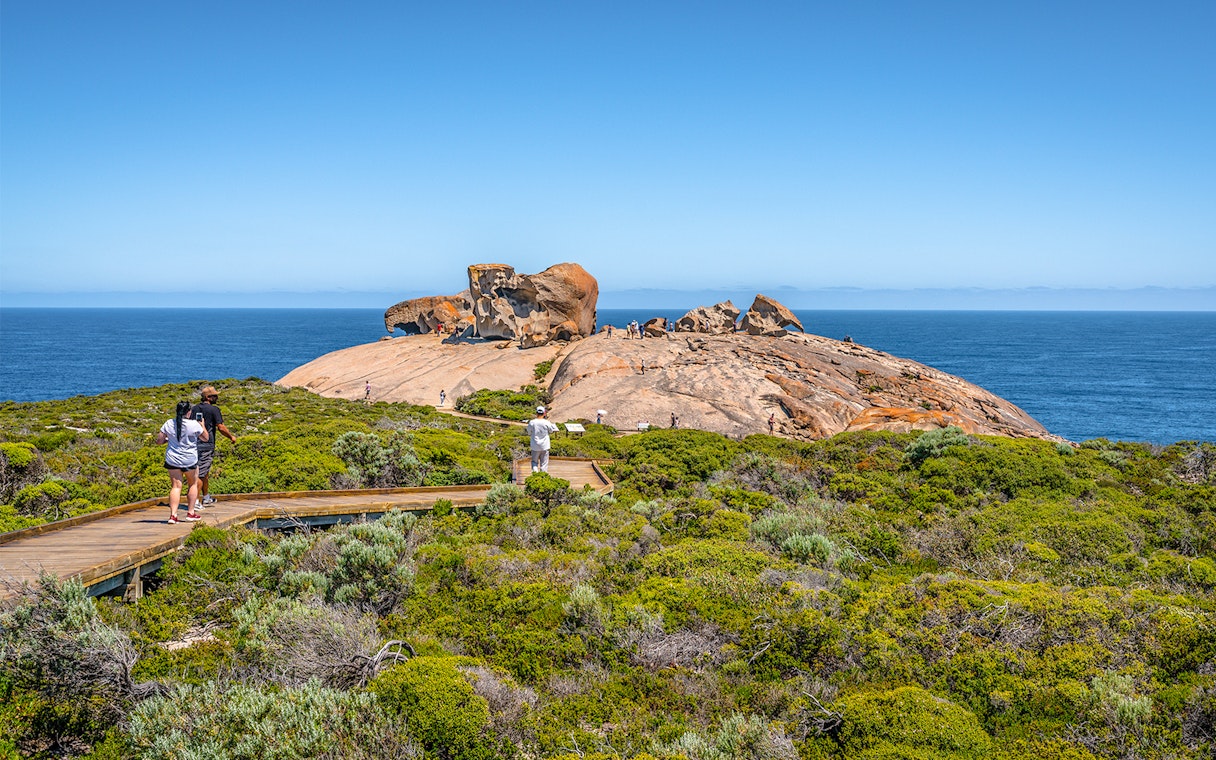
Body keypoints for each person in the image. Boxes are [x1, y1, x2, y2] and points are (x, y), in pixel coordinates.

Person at [156, 401, 208, 524]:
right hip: (189, 459)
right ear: (189, 412)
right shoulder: (194, 424)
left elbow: (159, 441)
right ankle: (190, 513)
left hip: (173, 459)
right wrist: (202, 425)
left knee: (176, 486)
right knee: (192, 484)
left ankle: (173, 516)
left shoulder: (169, 423)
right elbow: (205, 438)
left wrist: (168, 440)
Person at [189, 386, 237, 509]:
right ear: (208, 397)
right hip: (207, 444)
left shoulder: (194, 409)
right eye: (215, 395)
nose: (217, 397)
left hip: (194, 443)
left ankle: (206, 497)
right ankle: (195, 502)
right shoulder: (214, 410)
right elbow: (220, 427)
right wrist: (231, 437)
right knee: (200, 474)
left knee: (203, 472)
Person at [526, 405, 560, 474]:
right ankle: (543, 477)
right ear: (544, 413)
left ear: (536, 413)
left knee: (534, 462)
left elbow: (529, 432)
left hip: (535, 446)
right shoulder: (547, 422)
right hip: (545, 446)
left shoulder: (532, 422)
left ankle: (535, 476)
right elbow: (551, 431)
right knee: (544, 463)